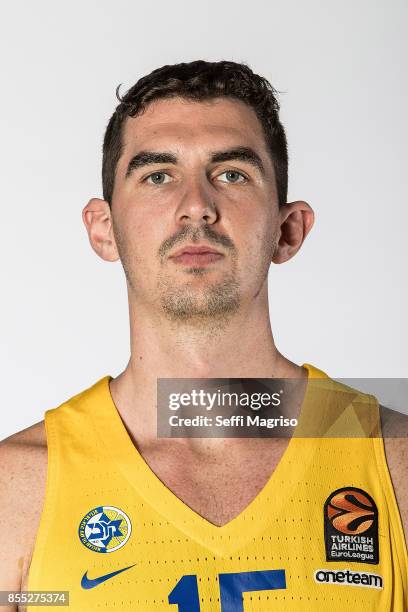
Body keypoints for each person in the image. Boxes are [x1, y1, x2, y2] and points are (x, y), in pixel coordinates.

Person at [0, 60, 406, 611]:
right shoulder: (18, 487)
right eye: (158, 176)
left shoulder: (392, 462)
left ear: (287, 230)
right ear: (104, 229)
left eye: (232, 174)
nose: (196, 205)